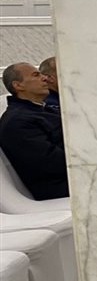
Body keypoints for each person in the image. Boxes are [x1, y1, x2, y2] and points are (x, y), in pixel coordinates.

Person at [0, 62, 68, 199]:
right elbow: (51, 163)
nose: (45, 78)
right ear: (18, 85)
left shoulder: (41, 109)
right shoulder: (17, 122)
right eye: (36, 75)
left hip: (78, 175)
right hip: (63, 187)